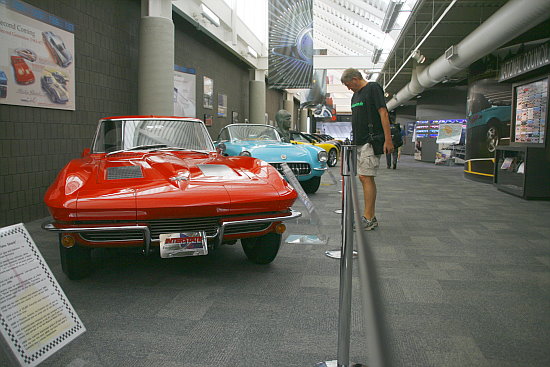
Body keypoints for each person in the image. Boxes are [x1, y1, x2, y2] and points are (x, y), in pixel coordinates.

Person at [341, 68, 393, 230]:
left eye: (349, 85)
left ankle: (369, 218)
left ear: (356, 79)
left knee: (365, 176)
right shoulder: (355, 96)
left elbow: (383, 113)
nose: (349, 89)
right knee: (364, 177)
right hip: (359, 142)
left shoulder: (373, 88)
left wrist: (388, 139)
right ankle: (369, 216)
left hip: (371, 141)